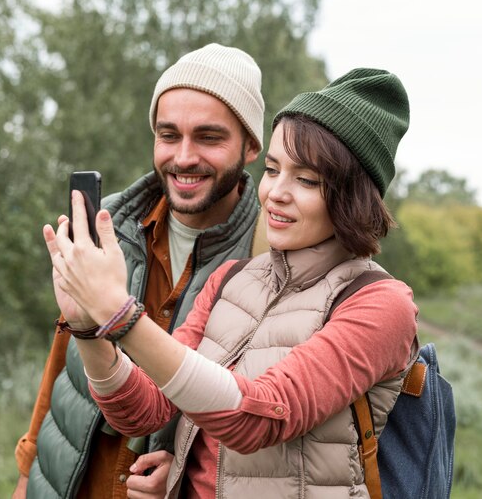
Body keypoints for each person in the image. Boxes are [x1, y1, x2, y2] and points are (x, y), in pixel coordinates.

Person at [45, 68, 418, 498]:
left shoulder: (379, 303)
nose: (276, 192)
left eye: (307, 179)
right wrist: (89, 328)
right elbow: (145, 411)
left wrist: (121, 314)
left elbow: (258, 418)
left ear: (354, 195)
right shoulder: (230, 280)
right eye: (273, 170)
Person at [13, 43, 268, 498]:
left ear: (250, 146)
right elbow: (62, 366)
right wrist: (25, 476)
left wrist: (192, 474)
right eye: (169, 135)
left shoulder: (267, 254)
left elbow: (268, 415)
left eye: (209, 137)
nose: (184, 157)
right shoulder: (107, 224)